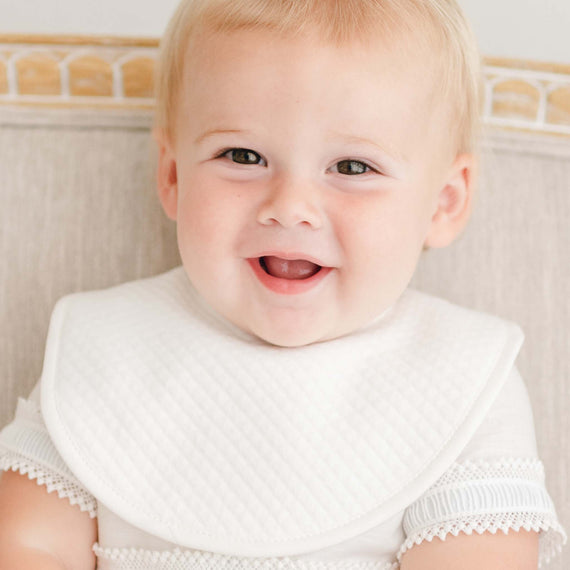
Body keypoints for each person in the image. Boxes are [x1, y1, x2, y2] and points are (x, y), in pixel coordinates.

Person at [0, 0, 566, 568]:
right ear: (173, 176)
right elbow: (28, 545)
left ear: (444, 202)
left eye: (351, 168)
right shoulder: (101, 350)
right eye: (243, 156)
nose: (291, 208)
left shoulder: (463, 380)